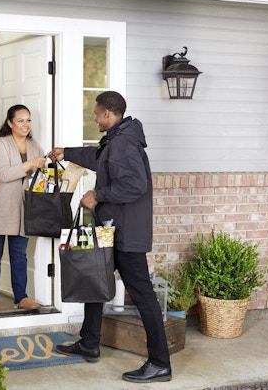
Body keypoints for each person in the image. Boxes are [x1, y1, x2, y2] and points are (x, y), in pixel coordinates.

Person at [48, 91, 172, 383]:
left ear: (108, 113)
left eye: (96, 112)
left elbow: (134, 185)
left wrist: (97, 194)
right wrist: (66, 152)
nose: (93, 117)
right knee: (95, 280)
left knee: (143, 296)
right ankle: (89, 343)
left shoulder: (124, 143)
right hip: (112, 229)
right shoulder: (117, 139)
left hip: (126, 234)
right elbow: (97, 157)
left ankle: (160, 363)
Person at [0, 104, 46, 311]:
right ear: (10, 123)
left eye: (28, 120)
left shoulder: (35, 147)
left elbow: (40, 178)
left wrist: (44, 167)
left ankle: (22, 297)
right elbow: (3, 174)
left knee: (20, 255)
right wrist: (30, 165)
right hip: (1, 206)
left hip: (25, 208)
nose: (25, 124)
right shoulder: (0, 143)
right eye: (20, 120)